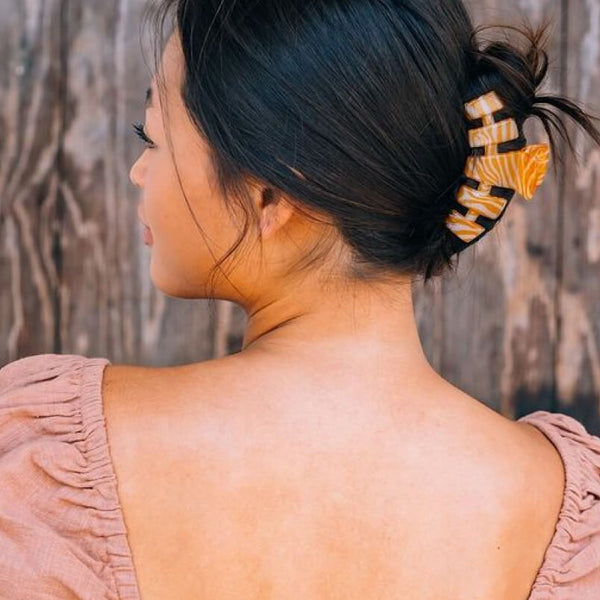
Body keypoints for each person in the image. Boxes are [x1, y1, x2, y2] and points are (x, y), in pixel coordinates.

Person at [1, 1, 600, 598]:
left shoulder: (45, 459)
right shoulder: (568, 517)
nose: (138, 171)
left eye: (151, 138)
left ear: (270, 196)